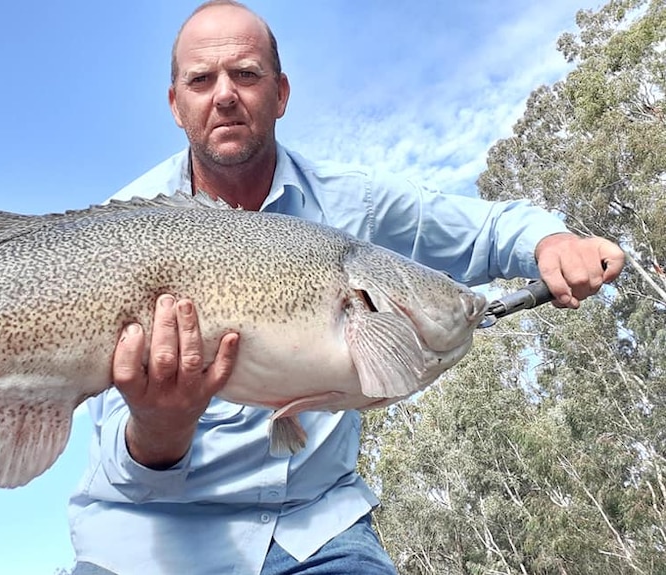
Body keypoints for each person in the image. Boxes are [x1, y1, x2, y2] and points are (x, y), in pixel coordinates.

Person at [67, 2, 625, 574]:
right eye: (202, 80)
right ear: (176, 104)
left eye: (247, 74)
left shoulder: (355, 202)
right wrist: (162, 426)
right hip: (145, 539)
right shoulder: (116, 238)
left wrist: (551, 243)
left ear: (281, 94)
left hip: (316, 529)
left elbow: (486, 229)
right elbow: (125, 468)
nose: (225, 95)